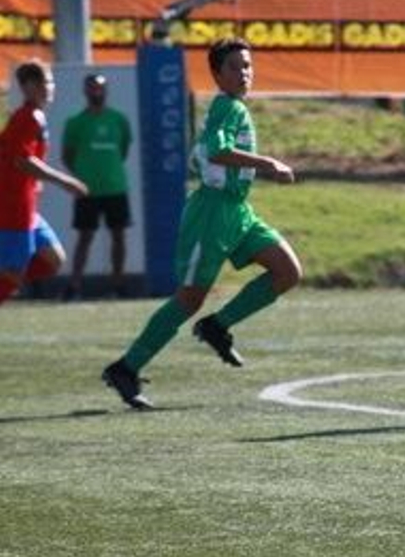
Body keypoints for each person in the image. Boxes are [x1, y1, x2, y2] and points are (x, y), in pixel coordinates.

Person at [102, 37, 302, 410]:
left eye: (247, 65)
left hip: (237, 212)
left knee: (287, 271)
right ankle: (125, 367)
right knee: (189, 298)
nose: (244, 73)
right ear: (216, 73)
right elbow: (217, 151)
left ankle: (217, 325)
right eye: (234, 67)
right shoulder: (225, 106)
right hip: (210, 214)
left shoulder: (235, 107)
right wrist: (268, 163)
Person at [1, 61, 88, 306]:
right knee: (14, 275)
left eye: (50, 81)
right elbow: (21, 161)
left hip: (26, 208)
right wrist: (64, 181)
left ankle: (9, 276)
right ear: (28, 86)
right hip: (12, 208)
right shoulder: (26, 117)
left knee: (53, 261)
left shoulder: (33, 116)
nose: (49, 87)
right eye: (43, 82)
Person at [61, 72, 135, 298]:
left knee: (118, 236)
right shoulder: (75, 122)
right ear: (85, 91)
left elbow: (123, 150)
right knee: (84, 237)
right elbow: (67, 156)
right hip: (87, 190)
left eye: (100, 87)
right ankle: (74, 286)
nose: (97, 91)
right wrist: (82, 176)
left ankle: (118, 285)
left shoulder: (119, 119)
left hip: (116, 187)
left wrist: (107, 170)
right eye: (92, 88)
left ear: (106, 90)